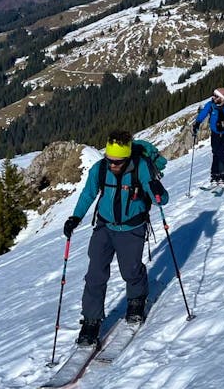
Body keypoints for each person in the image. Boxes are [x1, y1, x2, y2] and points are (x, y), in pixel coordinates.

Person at [62, 130, 169, 347]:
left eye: (118, 162)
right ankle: (91, 321)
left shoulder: (141, 168)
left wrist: (158, 190)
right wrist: (75, 217)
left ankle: (137, 300)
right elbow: (88, 193)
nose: (113, 165)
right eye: (110, 160)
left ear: (127, 157)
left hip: (132, 228)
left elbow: (161, 201)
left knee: (130, 270)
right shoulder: (100, 169)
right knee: (95, 274)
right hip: (104, 227)